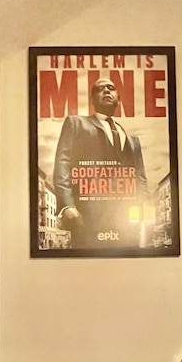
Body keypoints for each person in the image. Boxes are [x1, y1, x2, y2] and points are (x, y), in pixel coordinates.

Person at [53, 78, 148, 249]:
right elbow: (63, 163)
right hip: (87, 220)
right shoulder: (76, 123)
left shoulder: (133, 138)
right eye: (99, 89)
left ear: (118, 98)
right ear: (92, 99)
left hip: (126, 224)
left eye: (110, 88)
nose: (106, 91)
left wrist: (144, 211)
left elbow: (140, 178)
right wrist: (67, 206)